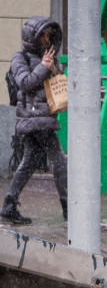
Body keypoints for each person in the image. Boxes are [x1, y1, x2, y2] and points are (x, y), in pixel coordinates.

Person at [1, 16, 67, 225]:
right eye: (43, 35)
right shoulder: (20, 58)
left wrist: (54, 68)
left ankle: (9, 205)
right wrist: (44, 67)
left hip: (43, 118)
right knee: (58, 159)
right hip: (34, 119)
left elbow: (57, 81)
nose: (47, 39)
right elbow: (25, 83)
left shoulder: (49, 56)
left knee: (29, 162)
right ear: (33, 37)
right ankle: (68, 207)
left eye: (49, 35)